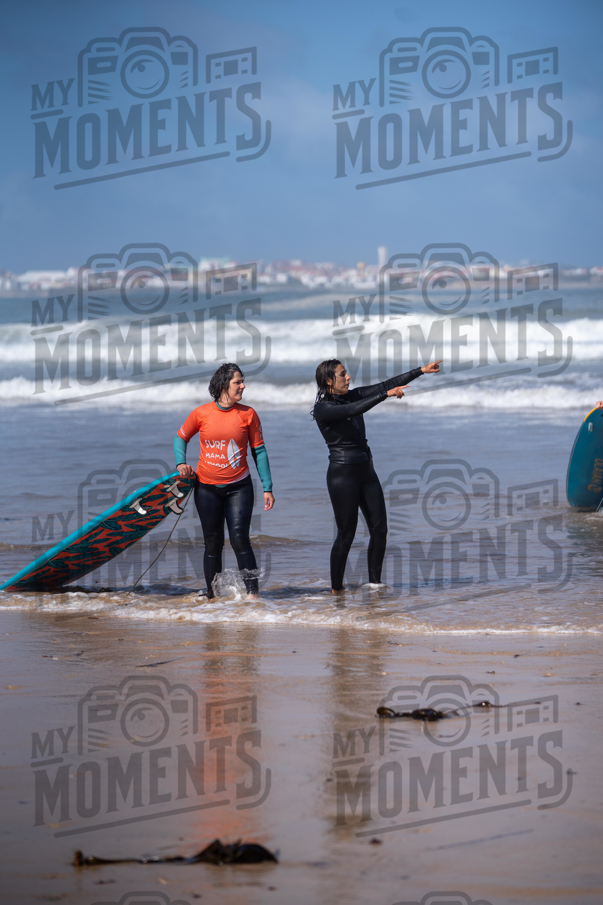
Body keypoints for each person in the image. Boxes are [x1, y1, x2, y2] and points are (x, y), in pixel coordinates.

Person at [313, 359, 441, 594]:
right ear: (329, 380)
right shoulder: (323, 409)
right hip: (342, 476)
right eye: (343, 374)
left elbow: (387, 383)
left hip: (367, 471)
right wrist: (385, 395)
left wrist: (421, 371)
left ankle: (374, 585)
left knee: (380, 530)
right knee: (346, 535)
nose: (348, 378)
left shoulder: (352, 395)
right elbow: (354, 409)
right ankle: (336, 591)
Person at [174, 363, 274, 600]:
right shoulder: (201, 414)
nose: (243, 385)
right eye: (237, 382)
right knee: (212, 543)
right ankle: (212, 595)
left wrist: (267, 487)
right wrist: (180, 463)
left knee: (240, 539)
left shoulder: (248, 414)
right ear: (222, 386)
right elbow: (181, 437)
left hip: (239, 487)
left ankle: (253, 595)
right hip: (206, 488)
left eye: (242, 381)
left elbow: (259, 451)